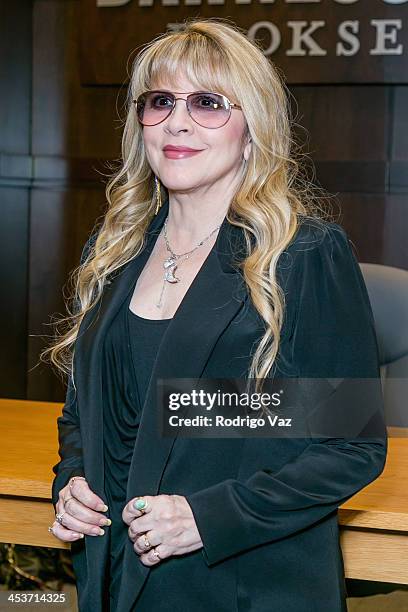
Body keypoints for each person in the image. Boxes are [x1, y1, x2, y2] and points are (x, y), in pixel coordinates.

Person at [44, 18, 387, 612]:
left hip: (239, 582)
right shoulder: (114, 250)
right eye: (161, 102)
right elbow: (85, 412)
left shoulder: (303, 255)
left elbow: (350, 447)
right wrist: (71, 482)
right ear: (141, 124)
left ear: (252, 129)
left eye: (207, 103)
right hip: (114, 576)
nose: (178, 121)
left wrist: (208, 516)